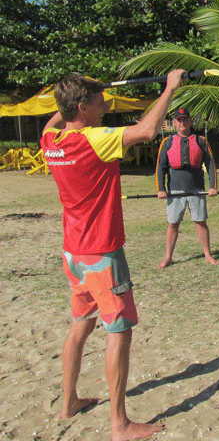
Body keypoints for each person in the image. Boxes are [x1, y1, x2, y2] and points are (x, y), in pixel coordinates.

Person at [41, 69, 185, 440]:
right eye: (100, 99)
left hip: (73, 254)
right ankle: (119, 425)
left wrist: (75, 86)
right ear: (85, 106)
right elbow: (148, 130)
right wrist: (169, 87)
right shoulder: (95, 140)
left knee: (79, 327)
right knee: (117, 332)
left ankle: (69, 401)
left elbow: (54, 116)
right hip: (102, 255)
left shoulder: (50, 140)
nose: (106, 104)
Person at [155, 107, 219, 268]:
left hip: (196, 189)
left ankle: (207, 255)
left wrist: (213, 186)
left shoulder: (201, 141)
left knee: (200, 222)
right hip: (175, 190)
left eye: (185, 119)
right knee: (173, 223)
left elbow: (210, 164)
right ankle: (168, 257)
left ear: (190, 121)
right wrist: (160, 189)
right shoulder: (167, 142)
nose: (182, 122)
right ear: (175, 123)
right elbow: (160, 167)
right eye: (179, 120)